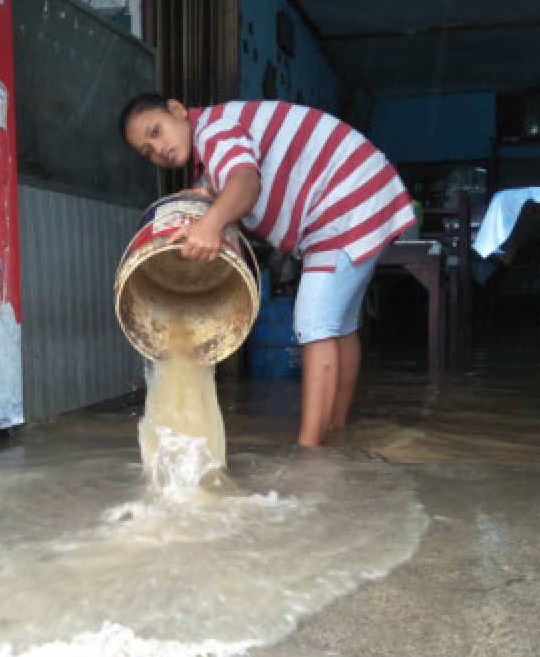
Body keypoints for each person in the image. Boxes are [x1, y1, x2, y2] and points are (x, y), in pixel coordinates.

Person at [119, 94, 414, 447]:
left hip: (342, 201)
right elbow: (239, 180)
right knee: (340, 327)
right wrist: (212, 198)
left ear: (177, 110)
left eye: (157, 131)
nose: (159, 149)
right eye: (147, 150)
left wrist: (210, 224)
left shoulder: (214, 131)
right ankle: (335, 432)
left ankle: (310, 455)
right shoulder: (214, 145)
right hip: (358, 191)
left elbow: (245, 181)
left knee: (314, 324)